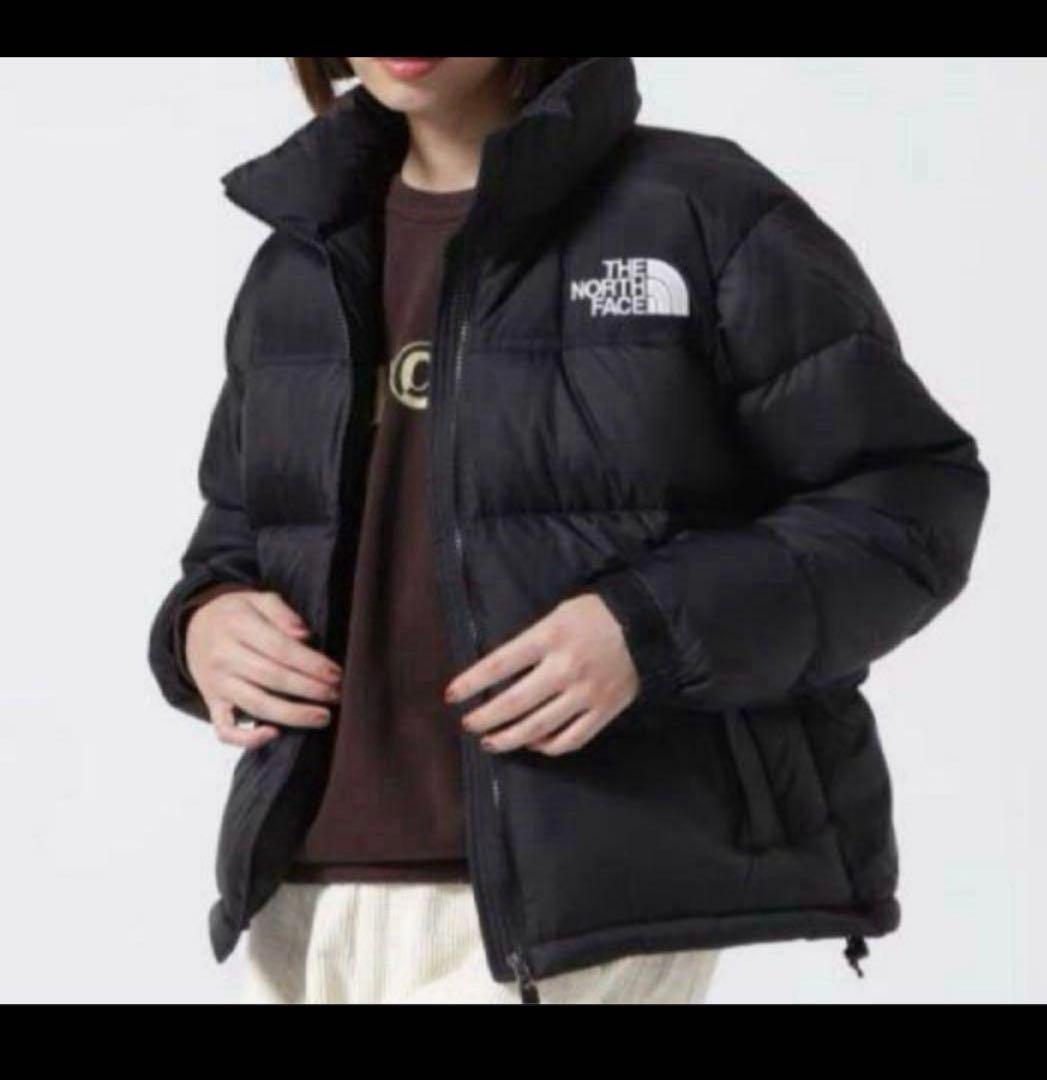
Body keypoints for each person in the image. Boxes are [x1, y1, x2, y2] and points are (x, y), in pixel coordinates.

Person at [147, 57, 991, 1005]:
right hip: (303, 893)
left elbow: (908, 504)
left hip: (581, 899)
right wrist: (203, 628)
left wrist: (647, 630)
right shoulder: (302, 254)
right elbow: (239, 540)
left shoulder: (696, 212)